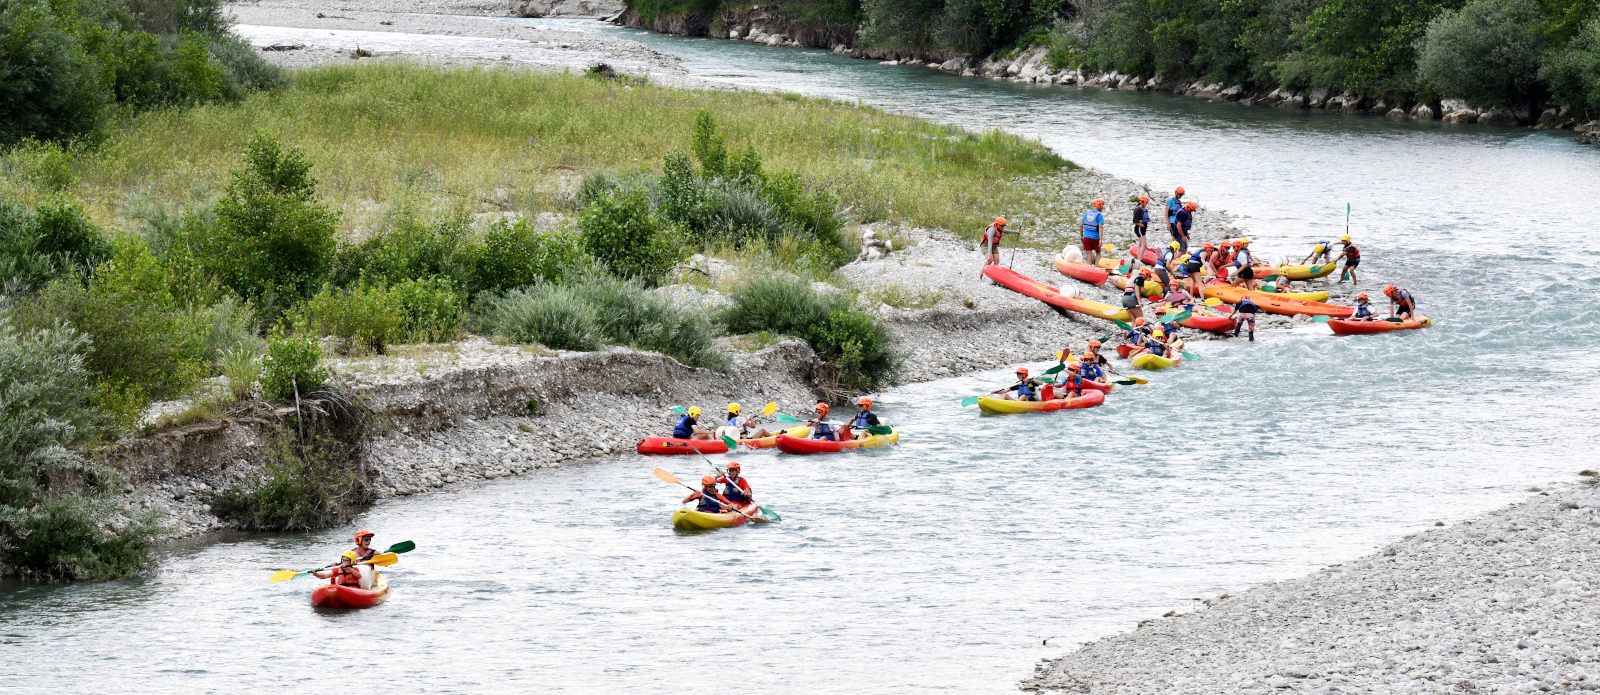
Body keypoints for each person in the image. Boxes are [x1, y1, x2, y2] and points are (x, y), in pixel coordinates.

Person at [312, 530, 377, 589]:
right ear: (359, 540)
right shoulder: (351, 553)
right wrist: (316, 574)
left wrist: (377, 556)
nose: (368, 541)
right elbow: (325, 575)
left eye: (369, 539)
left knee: (374, 572)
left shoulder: (372, 552)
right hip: (346, 586)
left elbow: (359, 576)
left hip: (367, 575)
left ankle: (372, 588)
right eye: (366, 539)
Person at [1080, 199, 1106, 265]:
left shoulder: (1087, 213)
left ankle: (1089, 268)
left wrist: (1081, 236)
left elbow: (1081, 225)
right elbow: (1100, 227)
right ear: (1100, 206)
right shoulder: (1099, 215)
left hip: (1086, 237)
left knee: (1089, 254)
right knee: (1098, 253)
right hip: (1095, 238)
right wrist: (1100, 239)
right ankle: (1096, 268)